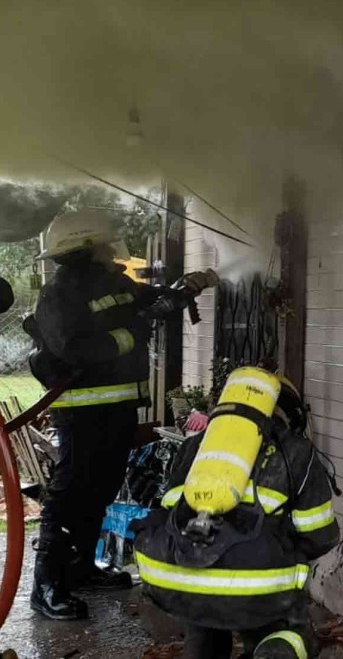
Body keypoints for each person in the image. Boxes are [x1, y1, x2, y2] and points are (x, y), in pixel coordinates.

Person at [28, 208, 216, 619]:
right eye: (102, 244)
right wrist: (133, 333)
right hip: (80, 412)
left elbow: (145, 301)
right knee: (71, 492)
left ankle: (80, 570)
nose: (110, 249)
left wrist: (180, 291)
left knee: (102, 488)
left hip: (118, 406)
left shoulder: (114, 283)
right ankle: (48, 585)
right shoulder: (59, 295)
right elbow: (72, 349)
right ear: (86, 248)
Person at [135, 373, 340, 659]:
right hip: (255, 586)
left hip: (175, 577)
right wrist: (275, 546)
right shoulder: (297, 451)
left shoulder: (196, 446)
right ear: (289, 414)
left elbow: (172, 514)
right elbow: (319, 535)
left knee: (204, 621)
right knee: (290, 634)